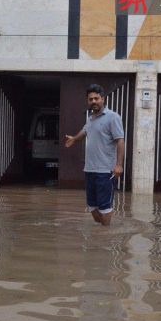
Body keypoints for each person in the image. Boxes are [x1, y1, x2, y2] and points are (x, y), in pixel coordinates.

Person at [65, 84, 125, 226]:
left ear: (102, 99)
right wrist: (74, 138)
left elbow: (120, 141)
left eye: (96, 98)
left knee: (104, 207)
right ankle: (101, 233)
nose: (94, 101)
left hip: (105, 171)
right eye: (91, 99)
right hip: (90, 169)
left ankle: (105, 238)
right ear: (88, 101)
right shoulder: (91, 118)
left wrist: (119, 165)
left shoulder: (112, 117)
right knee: (92, 206)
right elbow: (84, 132)